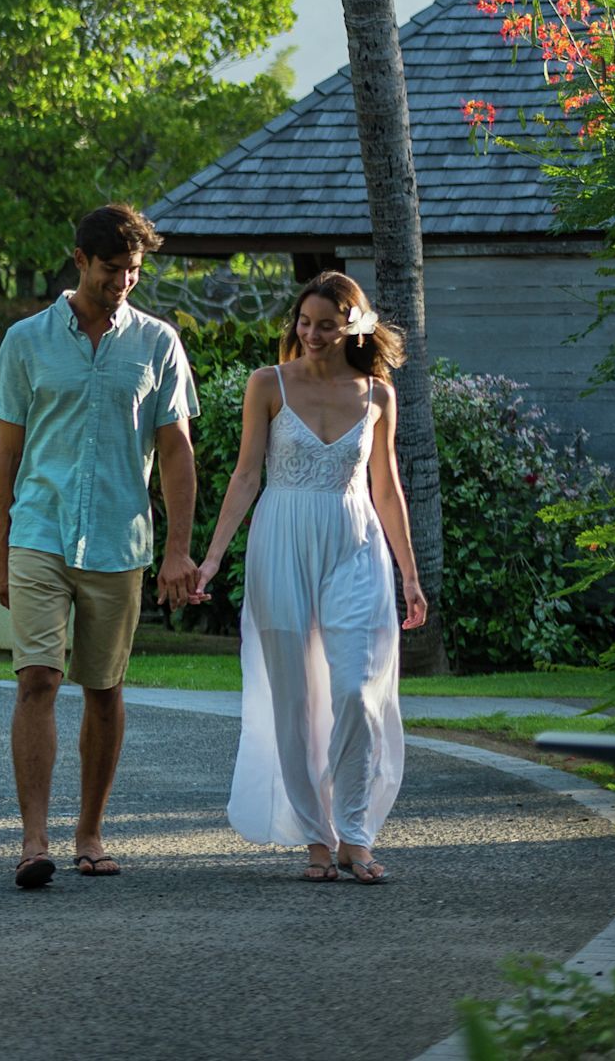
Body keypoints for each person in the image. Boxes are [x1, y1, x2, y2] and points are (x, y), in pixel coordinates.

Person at [0, 204, 200, 890]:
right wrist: (0, 551)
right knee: (39, 678)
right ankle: (33, 841)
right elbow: (6, 453)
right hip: (40, 531)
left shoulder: (158, 343)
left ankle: (90, 832)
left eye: (134, 271)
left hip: (119, 539)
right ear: (79, 260)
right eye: (112, 270)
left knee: (103, 690)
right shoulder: (26, 341)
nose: (123, 284)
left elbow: (175, 452)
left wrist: (178, 549)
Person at [192, 271, 430, 885]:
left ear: (352, 326)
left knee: (356, 689)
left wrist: (409, 574)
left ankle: (356, 832)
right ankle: (316, 840)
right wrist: (214, 556)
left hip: (355, 543)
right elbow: (247, 476)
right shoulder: (266, 385)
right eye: (305, 322)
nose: (312, 334)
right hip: (282, 539)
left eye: (327, 324)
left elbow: (387, 486)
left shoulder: (378, 394)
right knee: (294, 697)